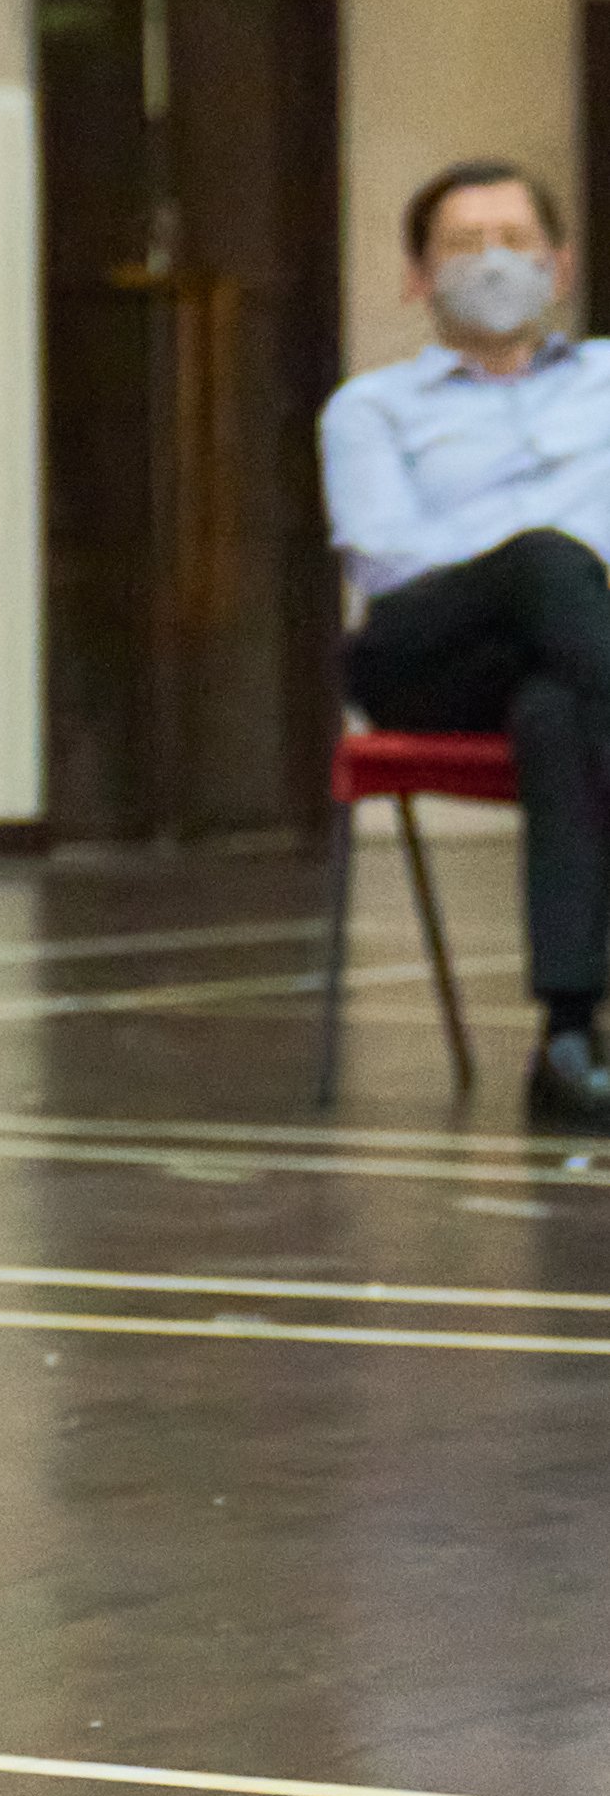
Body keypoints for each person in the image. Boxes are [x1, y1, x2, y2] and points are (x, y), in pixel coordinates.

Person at [322, 160, 610, 1126]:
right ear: (417, 275)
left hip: (572, 659)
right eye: (464, 245)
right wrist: (540, 568)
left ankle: (567, 1040)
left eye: (515, 242)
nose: (494, 263)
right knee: (543, 562)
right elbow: (391, 559)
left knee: (559, 709)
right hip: (430, 652)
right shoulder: (370, 409)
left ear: (560, 266)